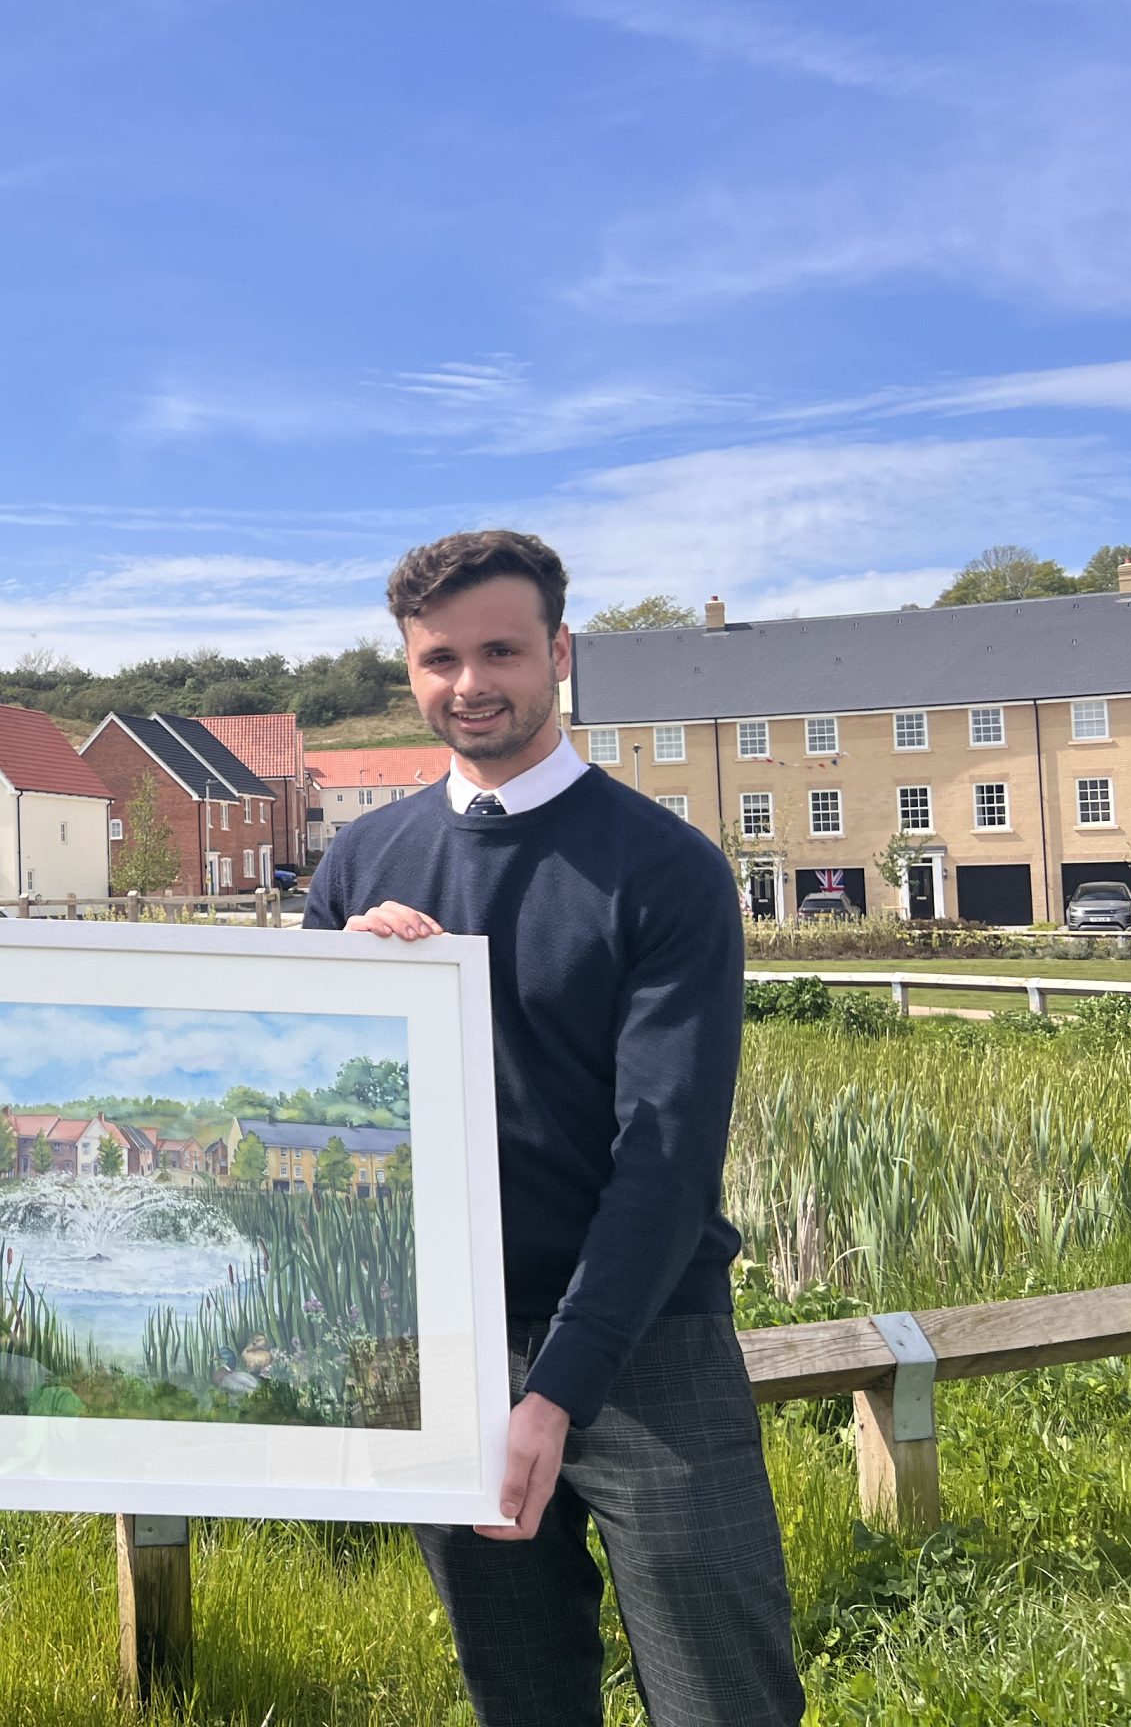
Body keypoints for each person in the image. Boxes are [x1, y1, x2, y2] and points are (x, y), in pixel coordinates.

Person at [304, 531, 803, 1726]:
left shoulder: (662, 868)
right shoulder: (359, 864)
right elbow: (316, 1123)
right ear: (408, 668)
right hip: (440, 1350)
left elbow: (667, 1155)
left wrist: (559, 1388)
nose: (469, 683)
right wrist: (351, 1007)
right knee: (520, 1696)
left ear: (559, 653)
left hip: (645, 1343)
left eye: (500, 651)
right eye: (438, 659)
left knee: (723, 1697)